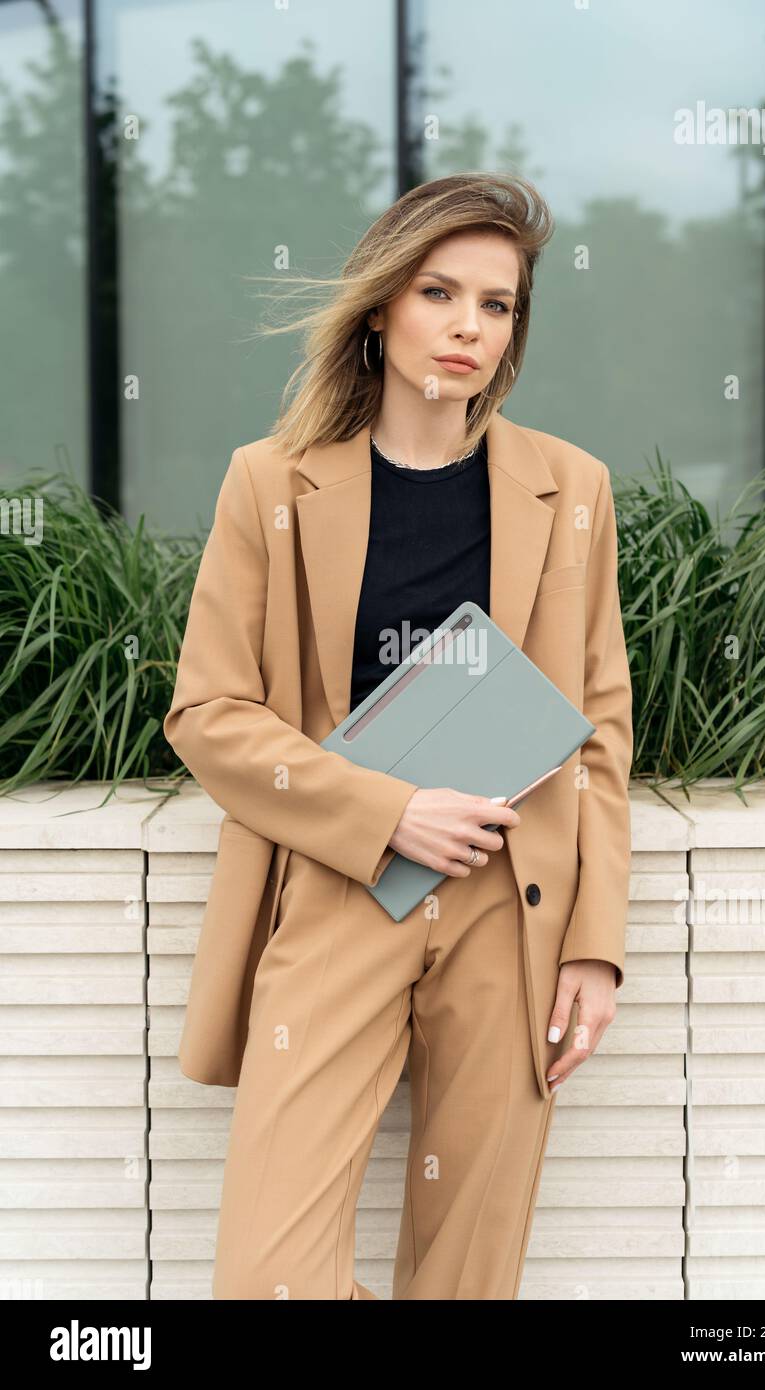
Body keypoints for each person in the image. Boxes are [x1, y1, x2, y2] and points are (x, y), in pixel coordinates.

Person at [163, 172, 633, 1300]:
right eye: (438, 292)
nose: (468, 326)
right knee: (266, 1277)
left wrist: (592, 944)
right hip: (340, 880)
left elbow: (601, 730)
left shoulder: (570, 488)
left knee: (466, 1275)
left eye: (497, 303)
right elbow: (208, 711)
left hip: (507, 899)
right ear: (380, 306)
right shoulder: (268, 483)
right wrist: (387, 811)